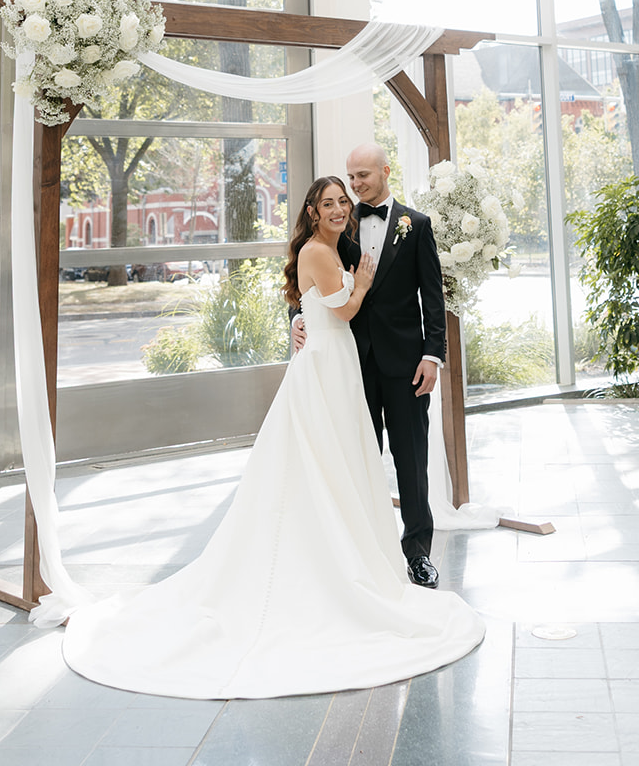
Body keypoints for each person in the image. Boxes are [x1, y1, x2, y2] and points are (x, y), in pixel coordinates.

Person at [61, 176, 484, 699]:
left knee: (393, 458)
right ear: (313, 209)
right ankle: (330, 560)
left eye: (350, 192)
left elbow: (424, 292)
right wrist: (313, 311)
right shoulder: (328, 244)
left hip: (387, 365)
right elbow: (331, 299)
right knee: (334, 459)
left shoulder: (402, 227)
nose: (345, 198)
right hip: (337, 365)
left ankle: (412, 551)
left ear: (378, 180)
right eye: (335, 195)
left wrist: (431, 352)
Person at [291, 143, 446, 589]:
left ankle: (417, 553)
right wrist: (298, 320)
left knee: (411, 461)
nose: (355, 185)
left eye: (363, 175)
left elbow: (432, 299)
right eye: (350, 177)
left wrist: (432, 356)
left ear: (384, 171)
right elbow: (305, 281)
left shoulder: (415, 225)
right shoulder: (339, 222)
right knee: (355, 458)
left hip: (406, 365)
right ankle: (362, 553)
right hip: (348, 365)